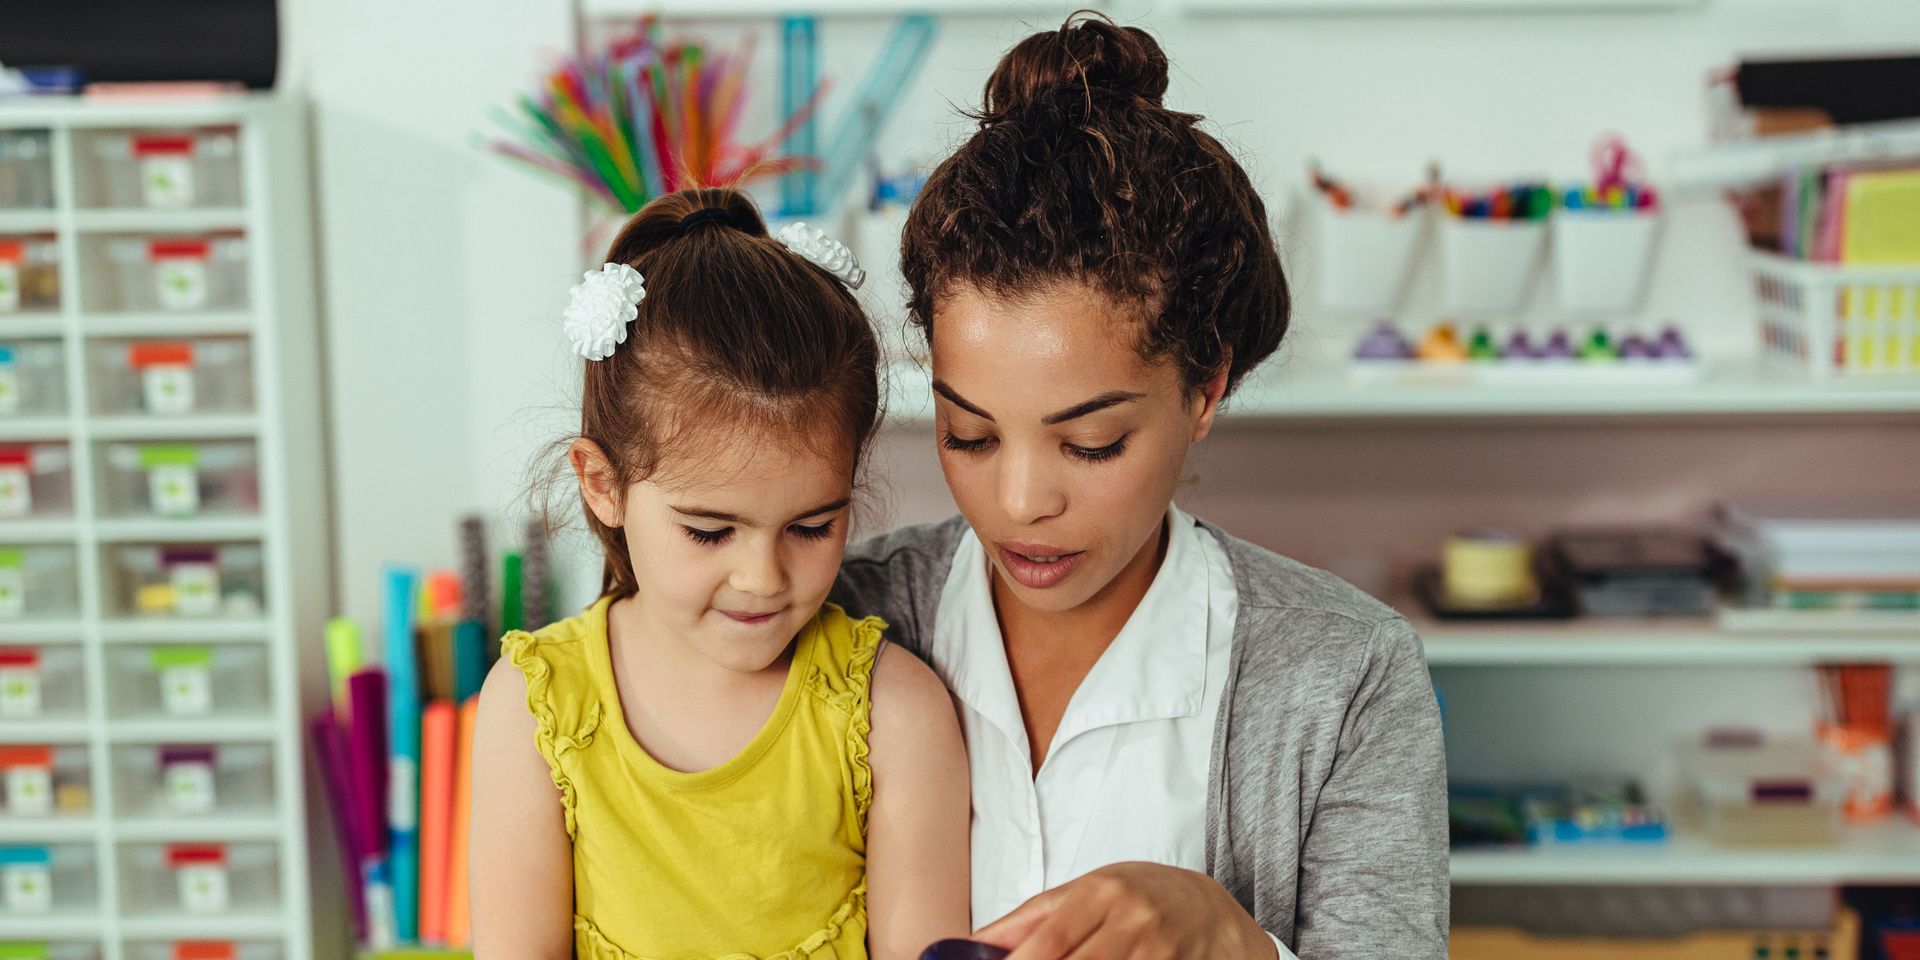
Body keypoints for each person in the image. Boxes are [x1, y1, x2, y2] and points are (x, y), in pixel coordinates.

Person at [831, 16, 1448, 960]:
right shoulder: (842, 618)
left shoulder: (1346, 676)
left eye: (1092, 443)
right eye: (970, 434)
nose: (1020, 502)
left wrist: (1234, 942)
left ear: (1204, 391)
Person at [471, 187, 970, 960]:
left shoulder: (895, 714)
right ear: (602, 484)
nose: (763, 578)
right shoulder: (533, 710)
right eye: (710, 531)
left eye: (811, 527)